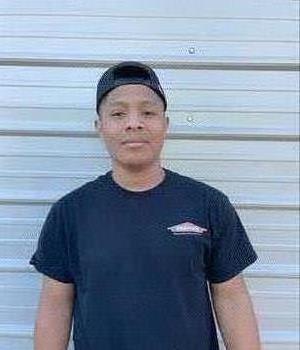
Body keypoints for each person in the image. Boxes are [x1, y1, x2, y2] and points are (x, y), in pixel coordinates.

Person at [29, 61, 261, 350]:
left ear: (165, 125)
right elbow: (55, 305)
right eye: (118, 113)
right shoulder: (69, 213)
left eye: (148, 112)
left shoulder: (208, 204)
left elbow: (231, 296)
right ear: (99, 127)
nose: (133, 122)